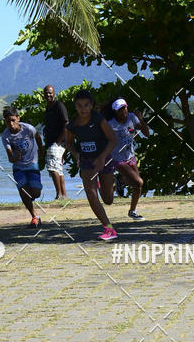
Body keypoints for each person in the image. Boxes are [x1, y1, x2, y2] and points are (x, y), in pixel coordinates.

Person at [66, 89, 118, 241]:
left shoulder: (98, 119)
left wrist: (102, 157)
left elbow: (113, 140)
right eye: (80, 106)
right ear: (75, 107)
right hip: (87, 161)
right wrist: (77, 155)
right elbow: (68, 143)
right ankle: (109, 228)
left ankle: (103, 184)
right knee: (90, 193)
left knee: (108, 199)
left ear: (92, 105)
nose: (83, 109)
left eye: (86, 105)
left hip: (104, 158)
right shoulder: (73, 124)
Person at [107, 98, 150, 219]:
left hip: (130, 156)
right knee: (139, 181)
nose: (123, 111)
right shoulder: (111, 124)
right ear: (115, 112)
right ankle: (121, 180)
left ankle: (132, 211)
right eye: (120, 110)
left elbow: (146, 133)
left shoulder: (132, 117)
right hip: (117, 158)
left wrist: (140, 118)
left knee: (138, 186)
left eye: (124, 108)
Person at [1, 106, 44, 227]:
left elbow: (38, 138)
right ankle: (34, 217)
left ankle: (31, 198)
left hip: (32, 163)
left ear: (18, 118)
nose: (11, 123)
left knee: (36, 193)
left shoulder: (28, 129)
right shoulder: (6, 136)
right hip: (18, 167)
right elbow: (10, 158)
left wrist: (41, 151)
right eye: (7, 121)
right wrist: (16, 157)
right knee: (23, 190)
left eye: (13, 120)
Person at [43, 85, 68, 199]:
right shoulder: (48, 107)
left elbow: (66, 123)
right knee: (58, 168)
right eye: (46, 93)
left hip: (57, 142)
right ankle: (63, 195)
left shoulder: (59, 105)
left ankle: (59, 194)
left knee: (52, 168)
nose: (48, 95)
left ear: (54, 93)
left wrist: (58, 142)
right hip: (51, 142)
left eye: (50, 93)